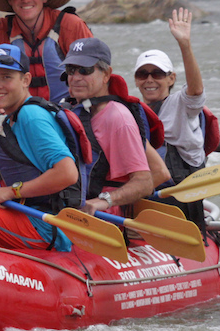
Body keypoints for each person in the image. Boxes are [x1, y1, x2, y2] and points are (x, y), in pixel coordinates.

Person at [0, 44, 87, 252]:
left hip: (47, 227)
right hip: (27, 216)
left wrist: (12, 192)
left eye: (6, 77)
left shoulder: (31, 117)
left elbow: (67, 173)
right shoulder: (8, 122)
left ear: (25, 80)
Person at [60, 38, 170, 217]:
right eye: (71, 70)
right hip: (71, 205)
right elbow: (159, 171)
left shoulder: (118, 118)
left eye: (85, 70)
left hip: (100, 217)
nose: (76, 77)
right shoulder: (74, 108)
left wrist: (104, 201)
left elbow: (146, 180)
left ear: (106, 75)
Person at [134, 8, 218, 228]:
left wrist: (185, 44)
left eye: (158, 74)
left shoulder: (182, 104)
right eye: (143, 74)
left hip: (182, 191)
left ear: (171, 78)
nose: (150, 80)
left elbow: (196, 89)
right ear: (136, 80)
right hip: (149, 190)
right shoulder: (133, 109)